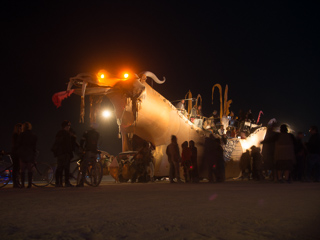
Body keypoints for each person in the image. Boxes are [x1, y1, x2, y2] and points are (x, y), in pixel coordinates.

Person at [51, 120, 74, 187]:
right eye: (68, 126)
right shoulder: (66, 134)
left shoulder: (59, 133)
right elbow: (68, 145)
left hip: (60, 153)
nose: (69, 127)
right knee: (65, 168)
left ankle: (58, 182)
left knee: (60, 168)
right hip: (65, 153)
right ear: (65, 126)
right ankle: (66, 182)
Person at [77, 122, 100, 187]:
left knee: (84, 166)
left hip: (88, 151)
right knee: (94, 165)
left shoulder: (86, 132)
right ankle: (95, 181)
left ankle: (82, 182)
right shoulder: (97, 133)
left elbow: (82, 141)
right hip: (94, 151)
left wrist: (81, 148)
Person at [17, 122, 37, 188]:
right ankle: (29, 184)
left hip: (23, 153)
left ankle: (22, 184)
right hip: (30, 153)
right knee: (29, 169)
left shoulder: (21, 135)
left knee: (22, 169)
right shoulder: (33, 135)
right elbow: (34, 145)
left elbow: (18, 144)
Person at [11, 123, 22, 188]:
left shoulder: (16, 135)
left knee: (17, 168)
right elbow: (16, 144)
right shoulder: (16, 135)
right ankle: (15, 183)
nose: (20, 129)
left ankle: (17, 182)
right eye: (19, 128)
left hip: (17, 152)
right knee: (16, 168)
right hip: (15, 153)